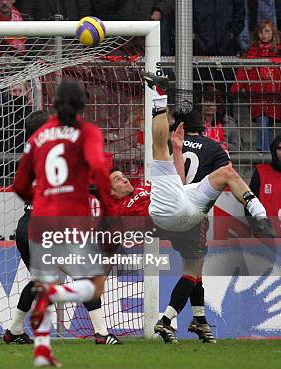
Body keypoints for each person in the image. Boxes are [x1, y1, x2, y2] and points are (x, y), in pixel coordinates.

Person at [111, 72, 275, 345]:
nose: (124, 180)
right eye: (116, 180)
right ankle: (167, 320)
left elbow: (181, 182)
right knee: (226, 175)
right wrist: (160, 98)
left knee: (194, 265)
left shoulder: (151, 179)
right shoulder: (208, 146)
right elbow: (163, 145)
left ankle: (199, 320)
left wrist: (176, 149)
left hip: (173, 210)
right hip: (186, 213)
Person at [13, 80, 118, 367]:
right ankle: (93, 327)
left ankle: (34, 345)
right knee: (91, 282)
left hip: (37, 220)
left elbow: (19, 184)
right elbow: (97, 167)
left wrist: (38, 200)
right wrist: (109, 209)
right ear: (82, 104)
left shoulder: (39, 138)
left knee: (43, 279)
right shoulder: (87, 133)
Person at [231, 19, 281, 152]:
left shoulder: (278, 52)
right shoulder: (252, 53)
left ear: (273, 33)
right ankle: (263, 154)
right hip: (258, 98)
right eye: (261, 31)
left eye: (267, 31)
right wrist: (233, 91)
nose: (263, 34)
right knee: (262, 124)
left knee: (269, 127)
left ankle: (270, 153)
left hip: (275, 98)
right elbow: (242, 73)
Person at [246, 135, 281, 236]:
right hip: (267, 237)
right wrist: (256, 227)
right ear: (274, 151)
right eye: (280, 148)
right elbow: (249, 201)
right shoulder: (260, 172)